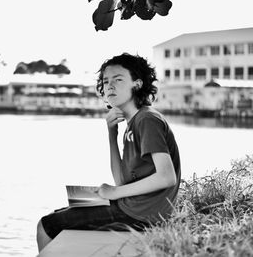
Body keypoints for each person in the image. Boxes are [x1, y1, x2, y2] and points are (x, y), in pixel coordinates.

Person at [36, 53, 181, 252]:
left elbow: (166, 177)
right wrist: (111, 134)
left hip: (141, 215)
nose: (109, 86)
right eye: (105, 81)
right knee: (69, 207)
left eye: (118, 79)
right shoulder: (133, 124)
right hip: (136, 208)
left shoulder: (147, 119)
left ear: (137, 84)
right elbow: (122, 181)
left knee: (46, 225)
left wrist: (114, 192)